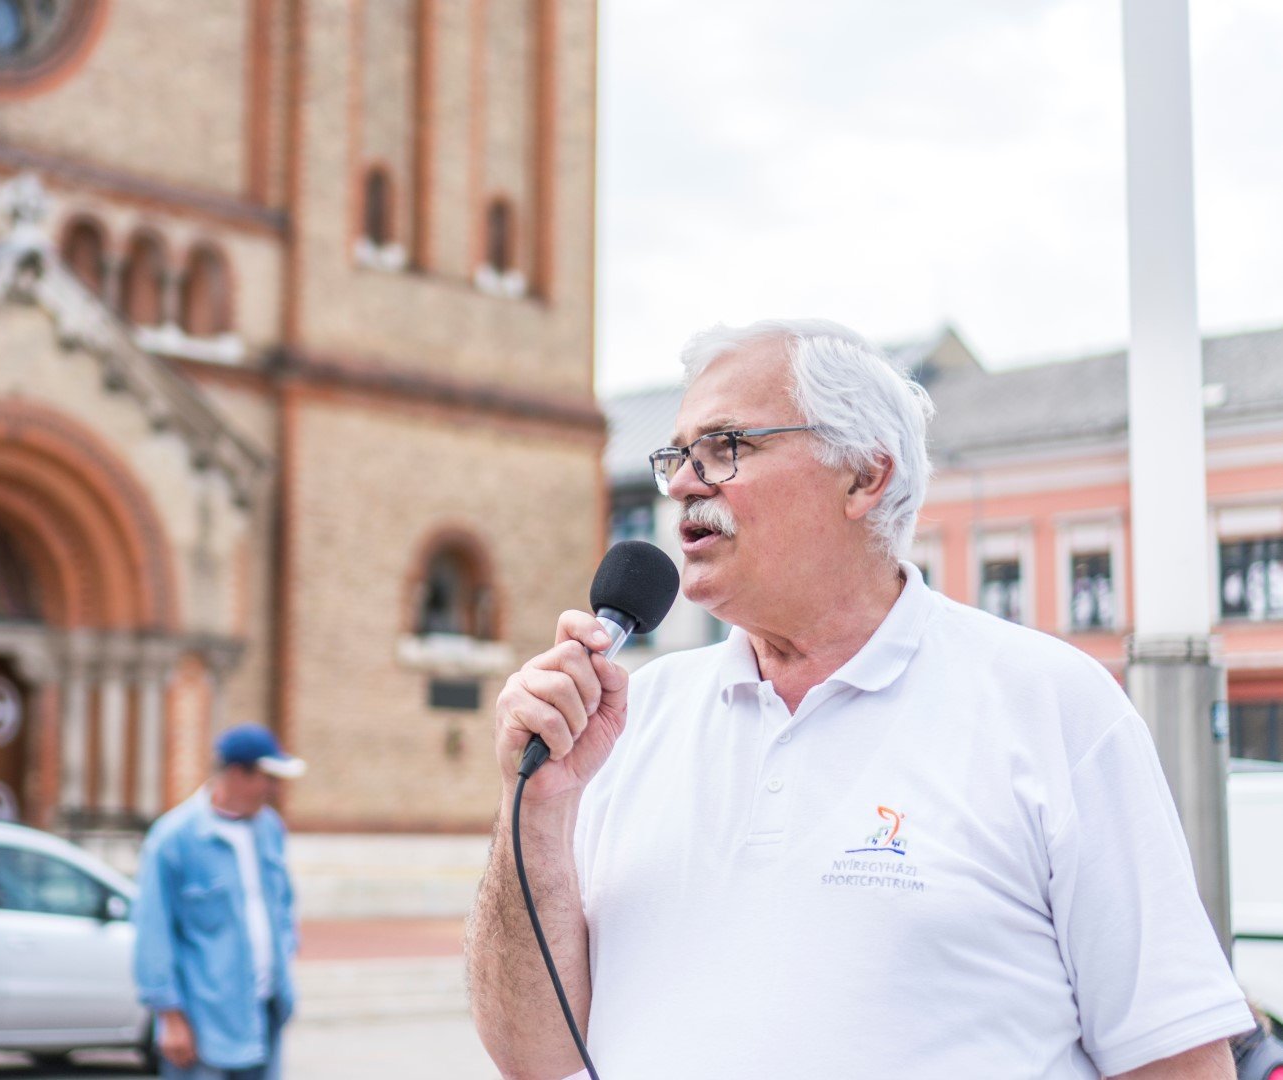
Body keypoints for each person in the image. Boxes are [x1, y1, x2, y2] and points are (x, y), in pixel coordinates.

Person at [467, 319, 1254, 1079]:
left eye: (725, 447)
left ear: (864, 477)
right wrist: (533, 810)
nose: (678, 483)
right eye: (677, 453)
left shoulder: (1052, 705)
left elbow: (1174, 1059)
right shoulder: (628, 720)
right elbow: (530, 1058)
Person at [134, 724, 305, 1080]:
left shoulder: (270, 829)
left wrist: (284, 956)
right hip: (203, 1022)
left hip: (263, 1011)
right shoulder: (175, 839)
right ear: (236, 774)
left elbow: (284, 904)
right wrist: (170, 1017)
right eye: (267, 777)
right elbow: (153, 931)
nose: (275, 789)